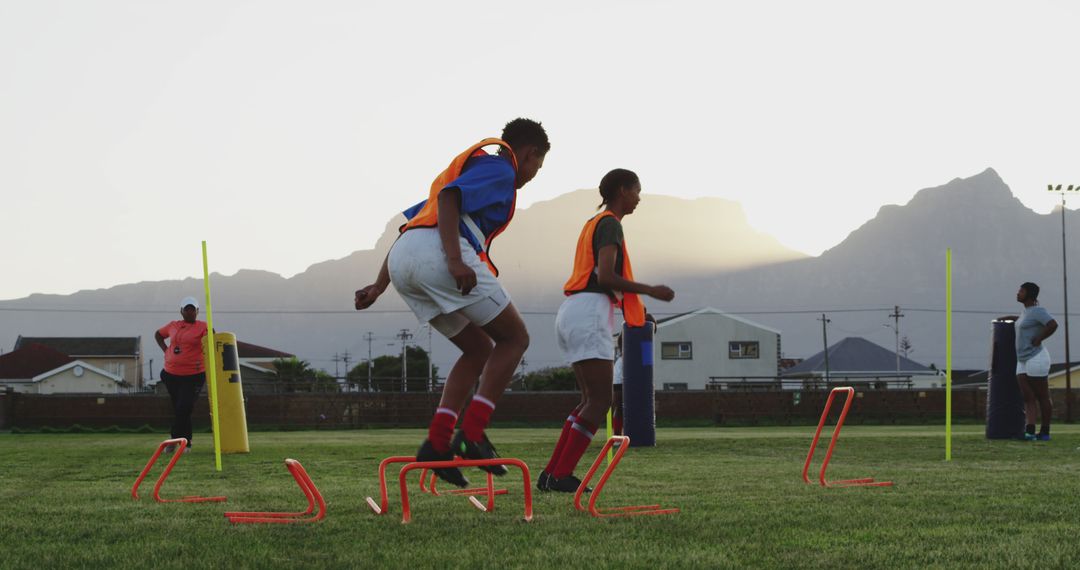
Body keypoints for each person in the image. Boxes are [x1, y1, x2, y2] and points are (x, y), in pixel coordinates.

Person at [354, 118, 550, 487]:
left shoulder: (470, 166)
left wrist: (380, 285)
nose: (532, 175)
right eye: (536, 167)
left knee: (477, 348)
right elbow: (449, 199)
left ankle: (437, 443)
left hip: (404, 259)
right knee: (515, 339)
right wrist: (456, 260)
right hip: (440, 254)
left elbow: (413, 224)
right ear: (528, 154)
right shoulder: (499, 168)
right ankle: (473, 433)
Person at [539, 168, 674, 492]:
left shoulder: (593, 223)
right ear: (623, 190)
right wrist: (650, 290)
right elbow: (607, 277)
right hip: (588, 312)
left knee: (589, 399)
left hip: (575, 311)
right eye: (637, 191)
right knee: (599, 401)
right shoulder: (610, 223)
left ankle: (552, 474)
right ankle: (560, 476)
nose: (639, 198)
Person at [154, 296, 210, 453]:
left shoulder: (203, 326)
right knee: (180, 409)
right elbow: (158, 334)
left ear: (198, 311)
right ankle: (184, 441)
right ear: (181, 311)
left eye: (193, 309)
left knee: (183, 407)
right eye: (187, 309)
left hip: (193, 375)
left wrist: (210, 334)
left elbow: (211, 339)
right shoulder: (173, 325)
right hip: (171, 374)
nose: (190, 312)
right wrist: (166, 351)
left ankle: (177, 441)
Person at [1005, 282, 1059, 441]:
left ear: (1029, 294)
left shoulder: (1038, 311)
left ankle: (1045, 432)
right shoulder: (1026, 312)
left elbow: (1053, 324)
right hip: (1022, 359)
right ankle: (1029, 432)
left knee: (1042, 396)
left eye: (1021, 291)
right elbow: (1024, 322)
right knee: (1027, 397)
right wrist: (1008, 318)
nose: (1017, 293)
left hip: (1036, 357)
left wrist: (1040, 338)